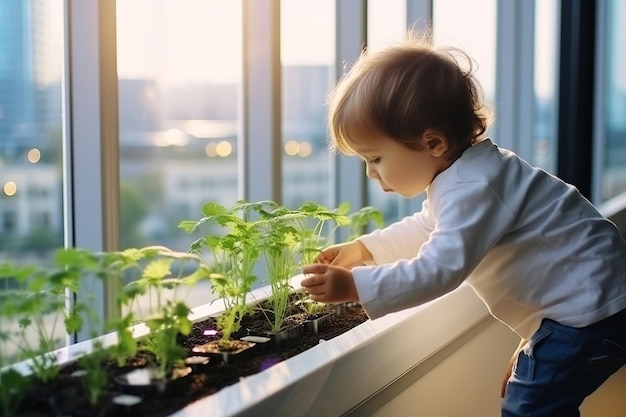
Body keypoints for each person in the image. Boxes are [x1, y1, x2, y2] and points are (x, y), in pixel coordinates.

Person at [300, 33, 626, 417]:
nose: (371, 173)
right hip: (587, 308)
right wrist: (366, 249)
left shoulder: (475, 184)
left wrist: (357, 285)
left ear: (433, 143)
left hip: (589, 314)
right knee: (534, 401)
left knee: (530, 408)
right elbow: (428, 227)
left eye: (375, 158)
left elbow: (440, 270)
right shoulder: (467, 175)